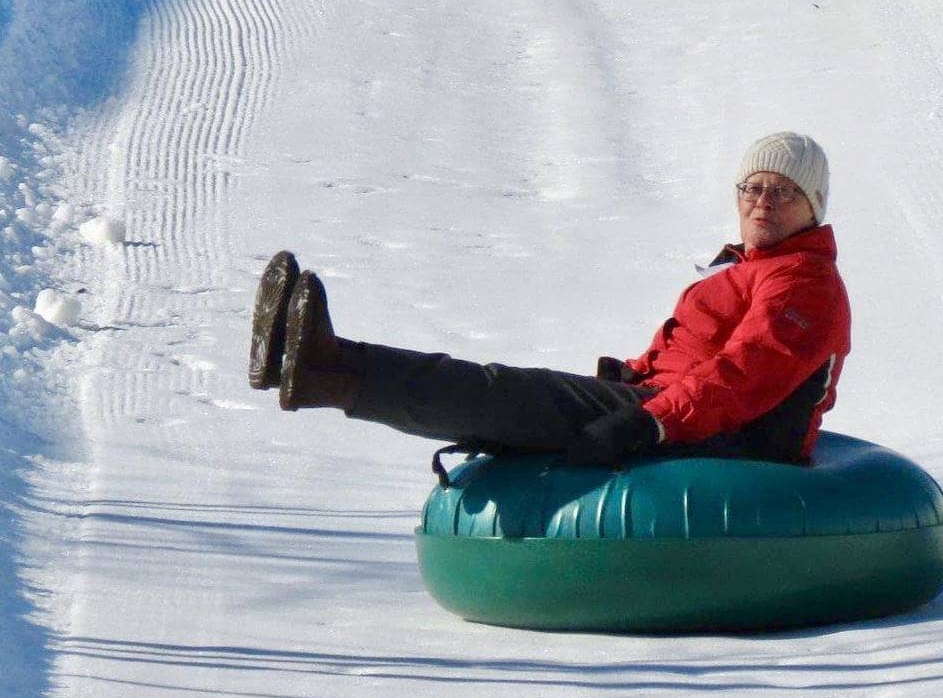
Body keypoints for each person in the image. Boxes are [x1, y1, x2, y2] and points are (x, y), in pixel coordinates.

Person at [248, 132, 850, 467]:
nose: (761, 201)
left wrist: (644, 423)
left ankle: (328, 369)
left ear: (811, 207)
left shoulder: (804, 281)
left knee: (505, 391)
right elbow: (689, 361)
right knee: (510, 396)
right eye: (752, 187)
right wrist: (635, 387)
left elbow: (744, 376)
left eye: (782, 191)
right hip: (675, 412)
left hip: (731, 442)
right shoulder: (742, 269)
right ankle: (315, 367)